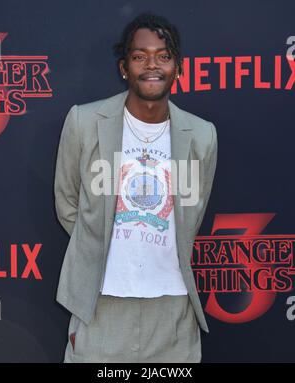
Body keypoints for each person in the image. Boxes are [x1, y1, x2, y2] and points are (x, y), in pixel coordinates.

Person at [54, 12, 217, 363]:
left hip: (173, 314)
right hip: (100, 307)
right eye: (140, 56)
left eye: (163, 55)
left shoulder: (202, 136)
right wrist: (101, 242)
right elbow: (67, 203)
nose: (152, 65)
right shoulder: (84, 122)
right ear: (124, 67)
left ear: (178, 67)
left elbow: (192, 213)